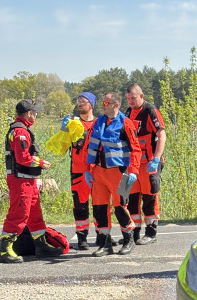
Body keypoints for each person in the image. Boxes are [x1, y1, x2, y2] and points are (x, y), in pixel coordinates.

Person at [0, 99, 63, 263]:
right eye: (34, 112)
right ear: (28, 114)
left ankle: (41, 246)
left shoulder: (23, 130)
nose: (36, 114)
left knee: (35, 214)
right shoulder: (20, 132)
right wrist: (41, 163)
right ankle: (5, 249)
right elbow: (22, 158)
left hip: (29, 180)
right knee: (19, 214)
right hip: (20, 180)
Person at [84, 92, 141, 257]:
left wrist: (134, 171)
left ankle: (128, 239)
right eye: (103, 102)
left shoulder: (126, 123)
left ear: (116, 105)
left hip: (121, 173)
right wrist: (88, 169)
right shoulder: (98, 122)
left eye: (106, 103)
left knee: (121, 207)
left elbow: (135, 149)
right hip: (99, 172)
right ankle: (105, 243)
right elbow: (90, 146)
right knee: (100, 208)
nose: (103, 105)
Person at [125, 83, 166, 245]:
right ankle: (134, 233)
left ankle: (151, 233)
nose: (131, 101)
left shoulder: (150, 111)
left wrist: (156, 159)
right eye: (128, 99)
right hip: (134, 165)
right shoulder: (128, 112)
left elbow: (161, 135)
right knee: (132, 197)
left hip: (150, 163)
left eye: (133, 98)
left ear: (141, 96)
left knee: (150, 197)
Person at [65, 93, 96, 250]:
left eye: (83, 102)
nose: (79, 105)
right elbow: (61, 144)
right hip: (78, 171)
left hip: (97, 172)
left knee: (100, 205)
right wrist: (63, 129)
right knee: (80, 206)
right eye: (78, 102)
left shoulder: (98, 123)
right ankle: (82, 237)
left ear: (91, 105)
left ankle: (102, 236)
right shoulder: (73, 124)